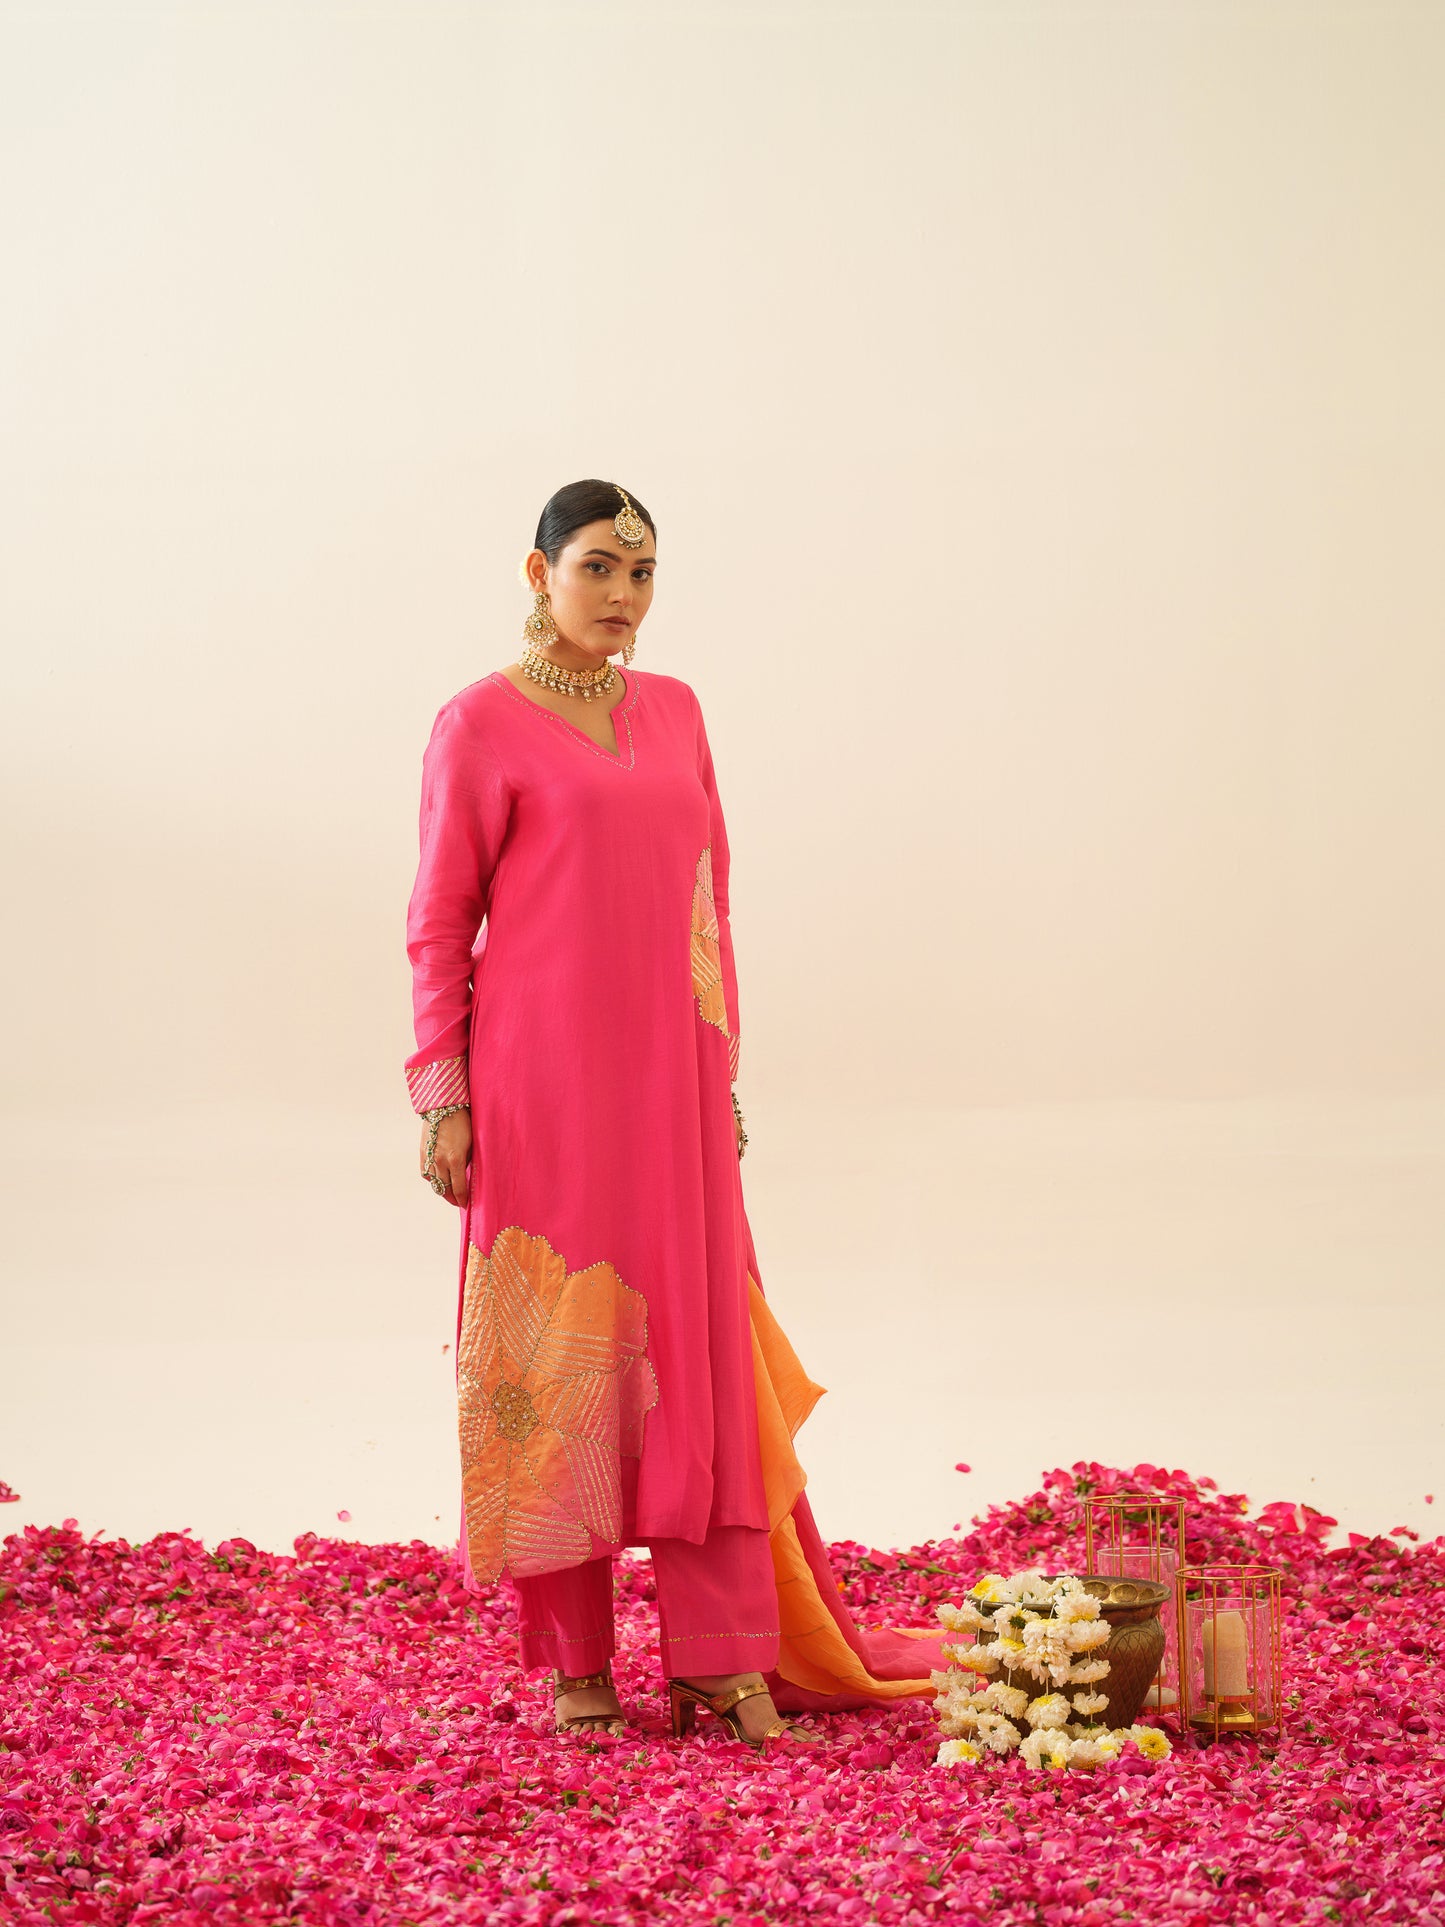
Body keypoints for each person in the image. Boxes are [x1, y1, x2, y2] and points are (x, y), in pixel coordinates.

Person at [404, 480, 946, 1752]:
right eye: (597, 567)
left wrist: (722, 1073)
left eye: (641, 574)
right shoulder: (476, 723)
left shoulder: (678, 710)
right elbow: (437, 922)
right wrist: (443, 1095)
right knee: (556, 1358)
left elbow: (713, 900)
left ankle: (717, 1655)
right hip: (541, 1093)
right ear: (537, 573)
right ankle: (576, 1663)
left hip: (673, 1084)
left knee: (694, 1355)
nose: (622, 596)